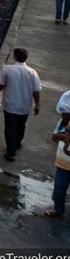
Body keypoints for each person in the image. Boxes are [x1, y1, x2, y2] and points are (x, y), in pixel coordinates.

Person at [0, 47, 41, 161]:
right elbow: (36, 91)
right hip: (25, 106)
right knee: (21, 126)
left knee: (10, 128)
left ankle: (11, 152)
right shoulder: (32, 73)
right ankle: (17, 143)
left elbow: (1, 84)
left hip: (10, 105)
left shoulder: (8, 70)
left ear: (15, 57)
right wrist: (37, 105)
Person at [46, 90, 70, 218]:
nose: (63, 116)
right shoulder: (62, 122)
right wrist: (61, 136)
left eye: (65, 114)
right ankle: (58, 209)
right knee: (59, 188)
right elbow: (54, 137)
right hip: (63, 162)